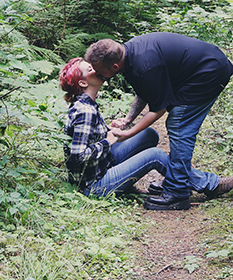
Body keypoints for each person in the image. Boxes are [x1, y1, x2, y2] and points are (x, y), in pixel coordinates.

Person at [85, 33, 233, 211]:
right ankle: (181, 181)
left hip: (208, 72)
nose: (97, 73)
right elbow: (146, 89)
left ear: (114, 66)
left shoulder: (144, 64)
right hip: (199, 69)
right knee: (177, 124)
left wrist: (129, 132)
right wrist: (129, 119)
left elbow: (158, 109)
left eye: (98, 70)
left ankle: (177, 193)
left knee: (179, 125)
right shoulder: (129, 55)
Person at [60, 57, 171, 197]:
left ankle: (127, 183)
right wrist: (107, 141)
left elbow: (88, 138)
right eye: (90, 69)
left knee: (149, 134)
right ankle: (195, 182)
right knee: (154, 155)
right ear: (82, 82)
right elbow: (78, 155)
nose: (96, 69)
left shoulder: (87, 104)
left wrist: (108, 130)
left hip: (104, 165)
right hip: (94, 186)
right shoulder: (85, 111)